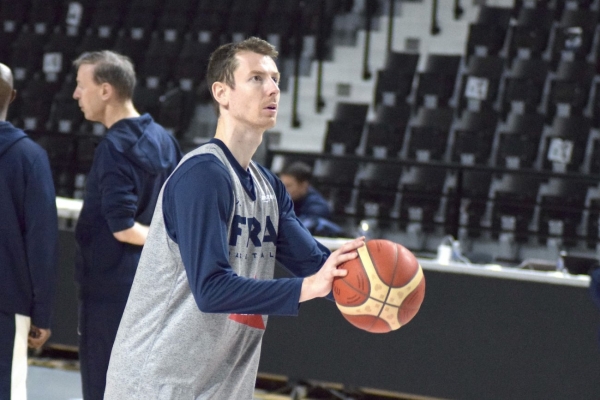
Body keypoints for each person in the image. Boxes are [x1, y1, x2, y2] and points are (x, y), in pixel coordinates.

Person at [104, 37, 364, 399]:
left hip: (220, 385)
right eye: (256, 78)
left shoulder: (269, 186)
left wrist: (371, 288)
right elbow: (210, 290)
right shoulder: (203, 175)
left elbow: (316, 265)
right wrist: (309, 288)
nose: (272, 88)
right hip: (159, 380)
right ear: (222, 93)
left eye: (275, 79)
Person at [71, 50, 182, 400]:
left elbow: (123, 227)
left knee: (104, 386)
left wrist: (166, 239)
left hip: (111, 291)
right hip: (154, 287)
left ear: (105, 91)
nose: (75, 94)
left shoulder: (114, 148)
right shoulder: (165, 139)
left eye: (81, 85)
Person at [0, 63, 58, 399]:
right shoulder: (30, 157)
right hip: (7, 303)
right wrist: (43, 314)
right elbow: (42, 243)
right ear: (14, 96)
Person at [279, 161, 347, 237]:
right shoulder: (282, 201)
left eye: (288, 186)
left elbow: (298, 229)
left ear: (303, 185)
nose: (283, 190)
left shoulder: (317, 206)